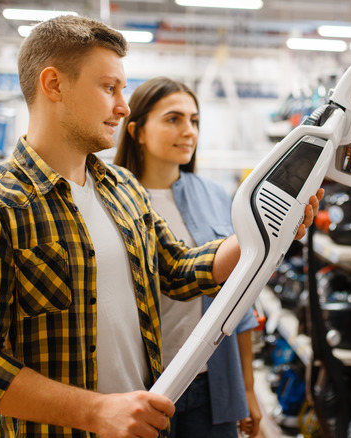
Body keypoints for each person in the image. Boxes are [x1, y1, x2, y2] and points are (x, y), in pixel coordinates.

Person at [0, 14, 321, 438]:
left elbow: (177, 270)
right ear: (53, 84)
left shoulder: (122, 189)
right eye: (109, 88)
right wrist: (96, 412)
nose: (123, 105)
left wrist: (266, 229)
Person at [114, 77, 261, 437]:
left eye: (194, 121)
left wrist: (248, 388)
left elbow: (238, 297)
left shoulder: (214, 195)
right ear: (138, 131)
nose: (188, 131)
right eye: (173, 119)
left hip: (211, 382)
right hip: (138, 386)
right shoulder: (114, 198)